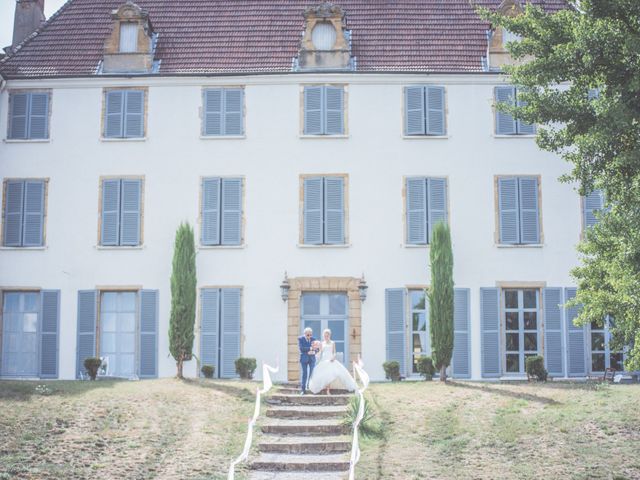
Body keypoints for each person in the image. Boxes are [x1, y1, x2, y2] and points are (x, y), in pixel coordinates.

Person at [308, 329, 357, 395]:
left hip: (331, 360)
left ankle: (328, 390)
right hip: (324, 360)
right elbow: (320, 352)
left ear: (329, 335)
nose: (326, 337)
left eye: (327, 335)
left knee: (330, 374)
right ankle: (324, 387)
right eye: (325, 335)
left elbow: (334, 352)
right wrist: (315, 354)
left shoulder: (332, 343)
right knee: (324, 374)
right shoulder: (322, 343)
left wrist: (333, 357)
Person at [298, 327, 317, 394]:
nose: (309, 336)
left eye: (310, 335)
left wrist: (314, 351)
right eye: (308, 335)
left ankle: (310, 386)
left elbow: (317, 349)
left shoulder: (313, 339)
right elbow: (301, 348)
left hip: (312, 358)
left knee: (312, 373)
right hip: (304, 358)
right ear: (305, 334)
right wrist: (310, 348)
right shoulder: (300, 339)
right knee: (305, 373)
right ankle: (303, 389)